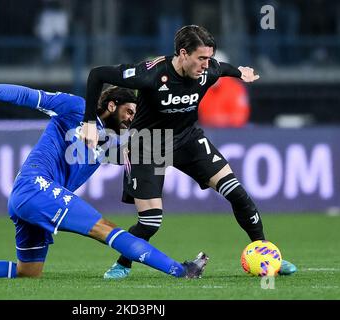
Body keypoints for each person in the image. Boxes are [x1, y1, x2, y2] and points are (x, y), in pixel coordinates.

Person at [0, 83, 209, 279]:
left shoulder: (113, 141)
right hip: (35, 186)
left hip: (29, 199)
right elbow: (27, 96)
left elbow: (142, 152)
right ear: (112, 104)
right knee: (104, 228)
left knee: (29, 272)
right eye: (129, 112)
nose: (131, 119)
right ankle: (180, 271)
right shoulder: (77, 108)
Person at [80, 25, 297, 279]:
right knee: (151, 222)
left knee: (237, 193)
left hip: (187, 140)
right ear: (183, 54)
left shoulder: (209, 71)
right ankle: (122, 264)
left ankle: (266, 255)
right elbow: (96, 74)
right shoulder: (150, 74)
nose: (207, 64)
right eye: (201, 58)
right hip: (147, 145)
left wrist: (240, 72)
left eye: (209, 58)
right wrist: (89, 123)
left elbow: (223, 69)